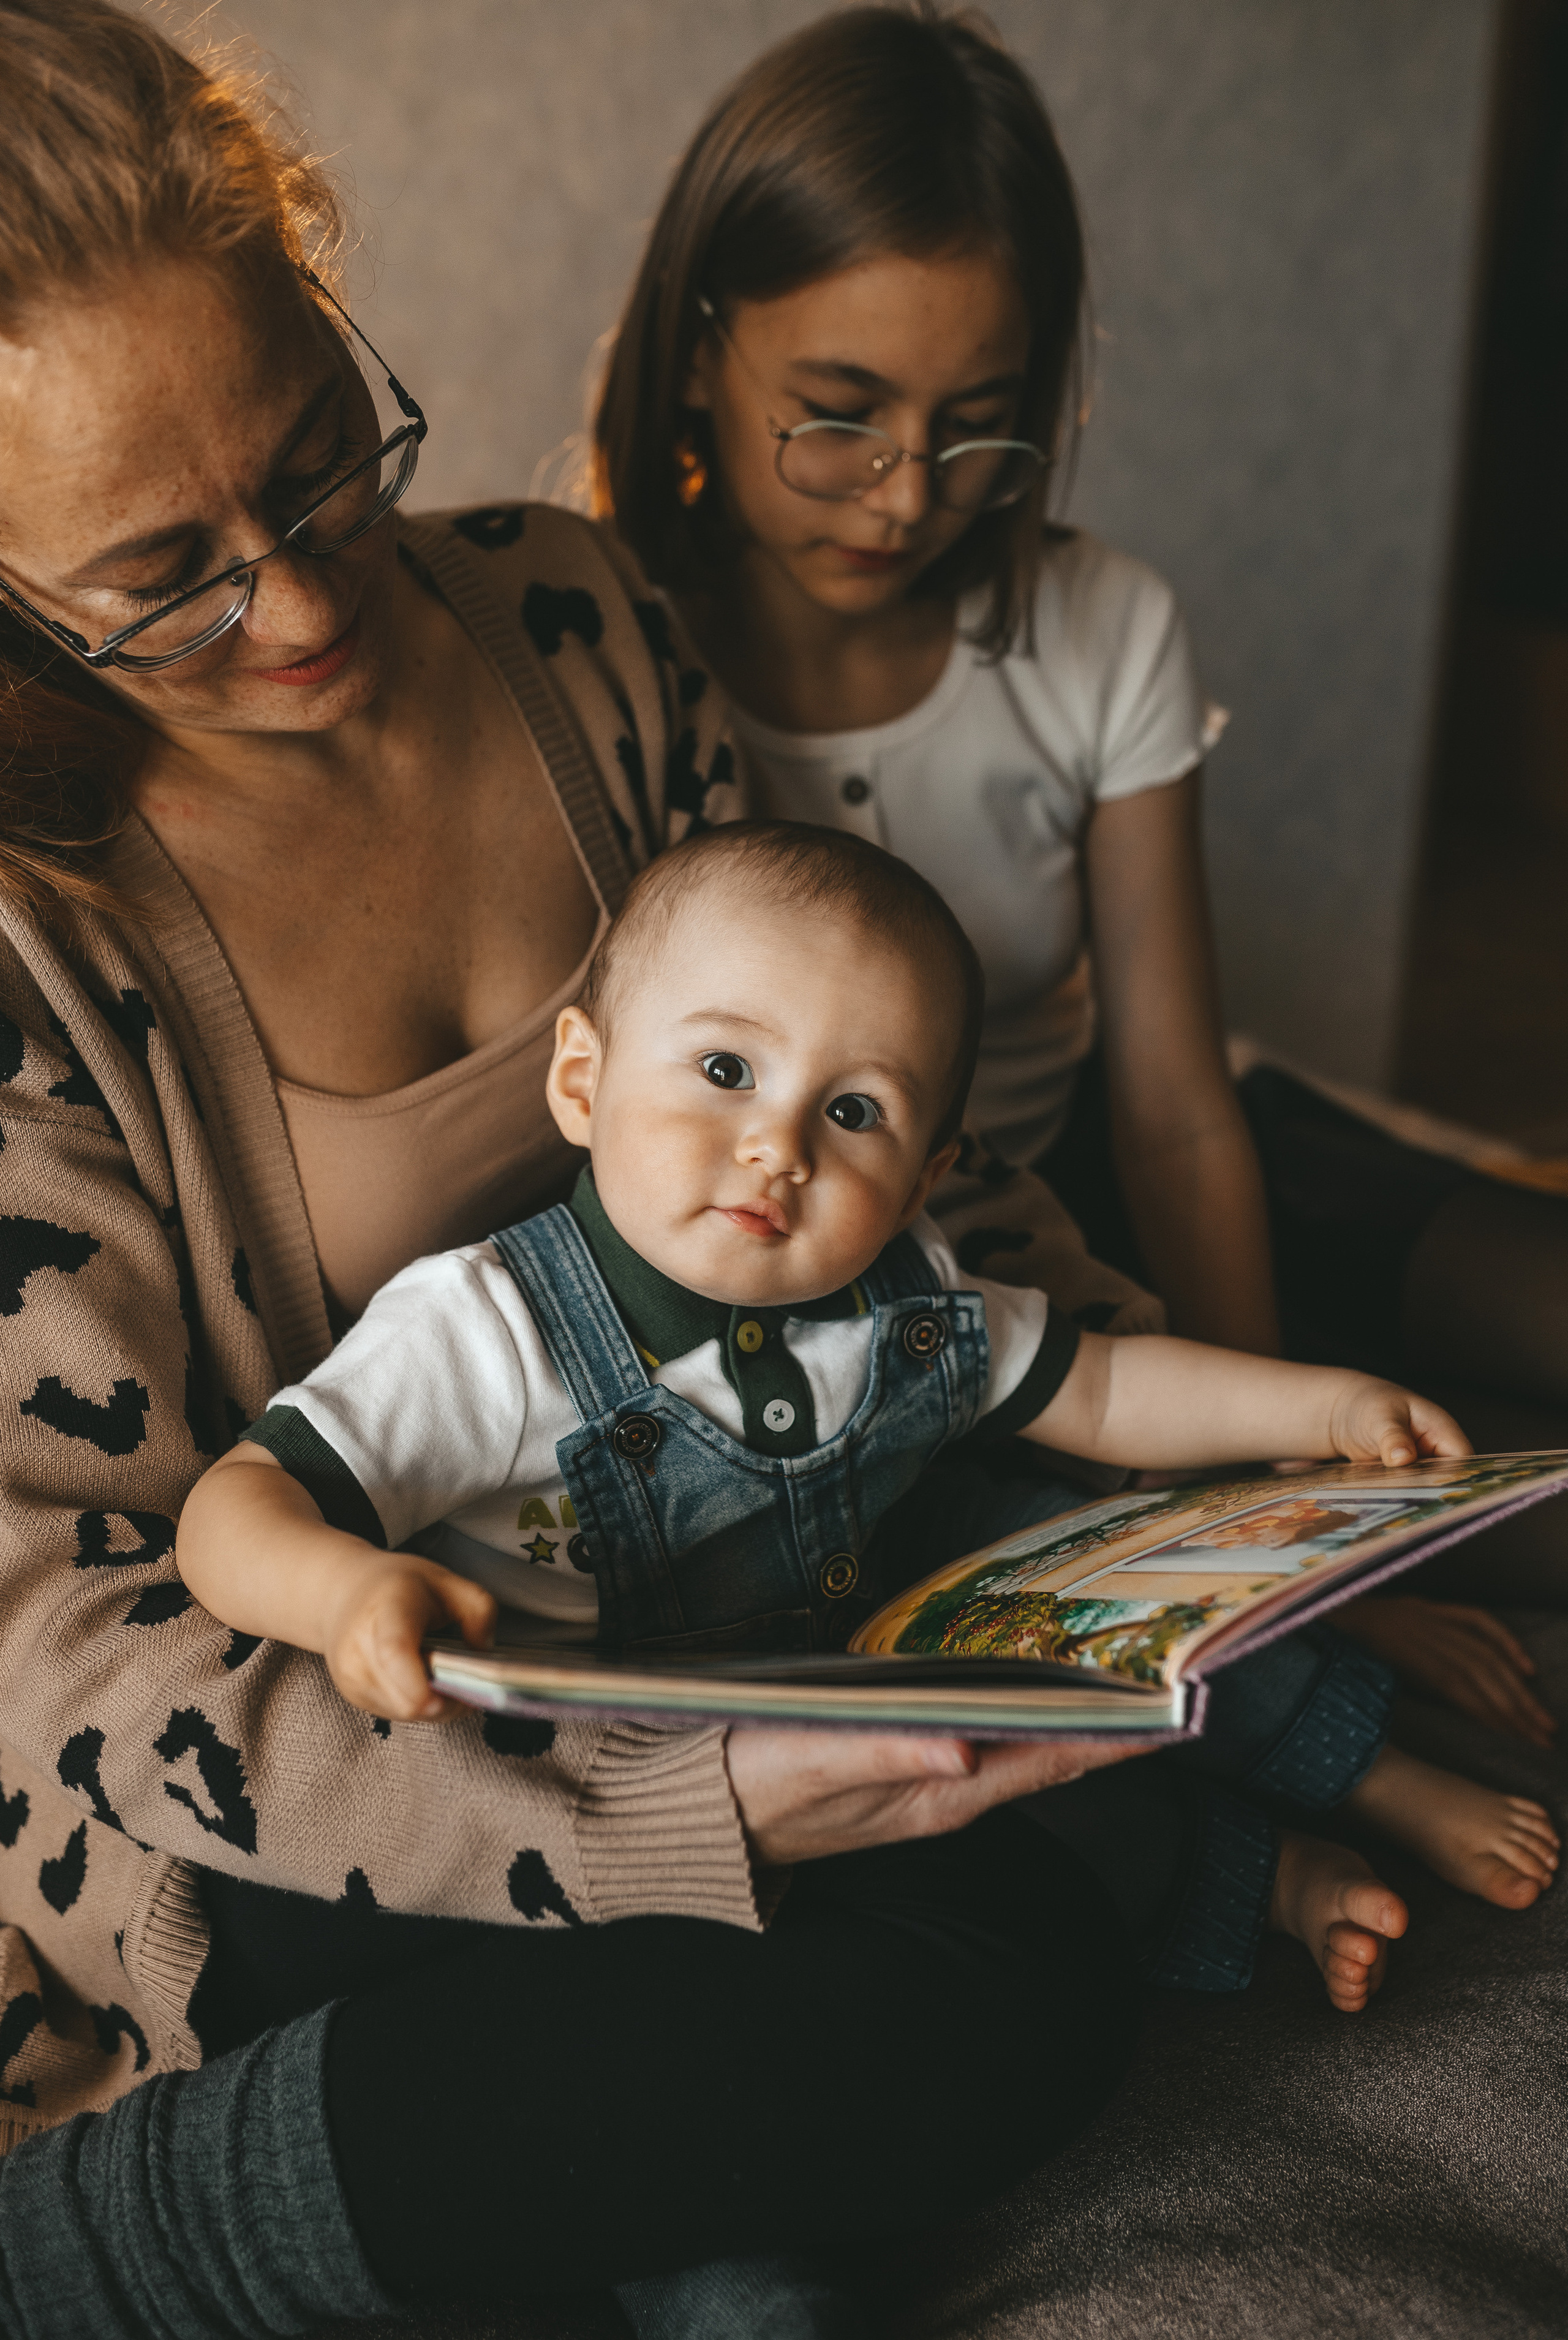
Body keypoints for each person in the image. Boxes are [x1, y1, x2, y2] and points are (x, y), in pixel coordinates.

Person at [0, 8, 1148, 2335]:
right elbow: (58, 1654)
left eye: (324, 466)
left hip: (717, 1605)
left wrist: (1220, 1492)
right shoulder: (38, 925)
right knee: (954, 1983)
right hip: (302, 1773)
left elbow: (866, 1126)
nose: (304, 603)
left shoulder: (572, 616)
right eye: (167, 576)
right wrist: (659, 1814)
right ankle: (97, 2237)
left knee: (1055, 1877)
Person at [590, 1, 1567, 1749]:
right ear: (698, 352)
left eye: (975, 426)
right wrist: (1313, 1551)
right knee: (1513, 1513)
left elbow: (1179, 1107)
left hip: (1140, 1160)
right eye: (838, 416)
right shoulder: (606, 645)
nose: (904, 497)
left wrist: (1291, 1489)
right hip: (913, 1270)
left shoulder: (1100, 623)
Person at [176, 821, 1560, 2028]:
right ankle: (1267, 1877)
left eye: (852, 1112)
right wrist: (346, 1593)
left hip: (878, 1610)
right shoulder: (482, 1330)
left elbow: (1103, 1389)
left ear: (921, 1178)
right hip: (639, 1732)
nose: (779, 1148)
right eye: (725, 1069)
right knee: (1005, 1814)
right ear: (583, 1083)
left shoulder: (904, 1297)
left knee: (1096, 1576)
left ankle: (1365, 1769)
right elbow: (232, 1510)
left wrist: (1323, 1403)